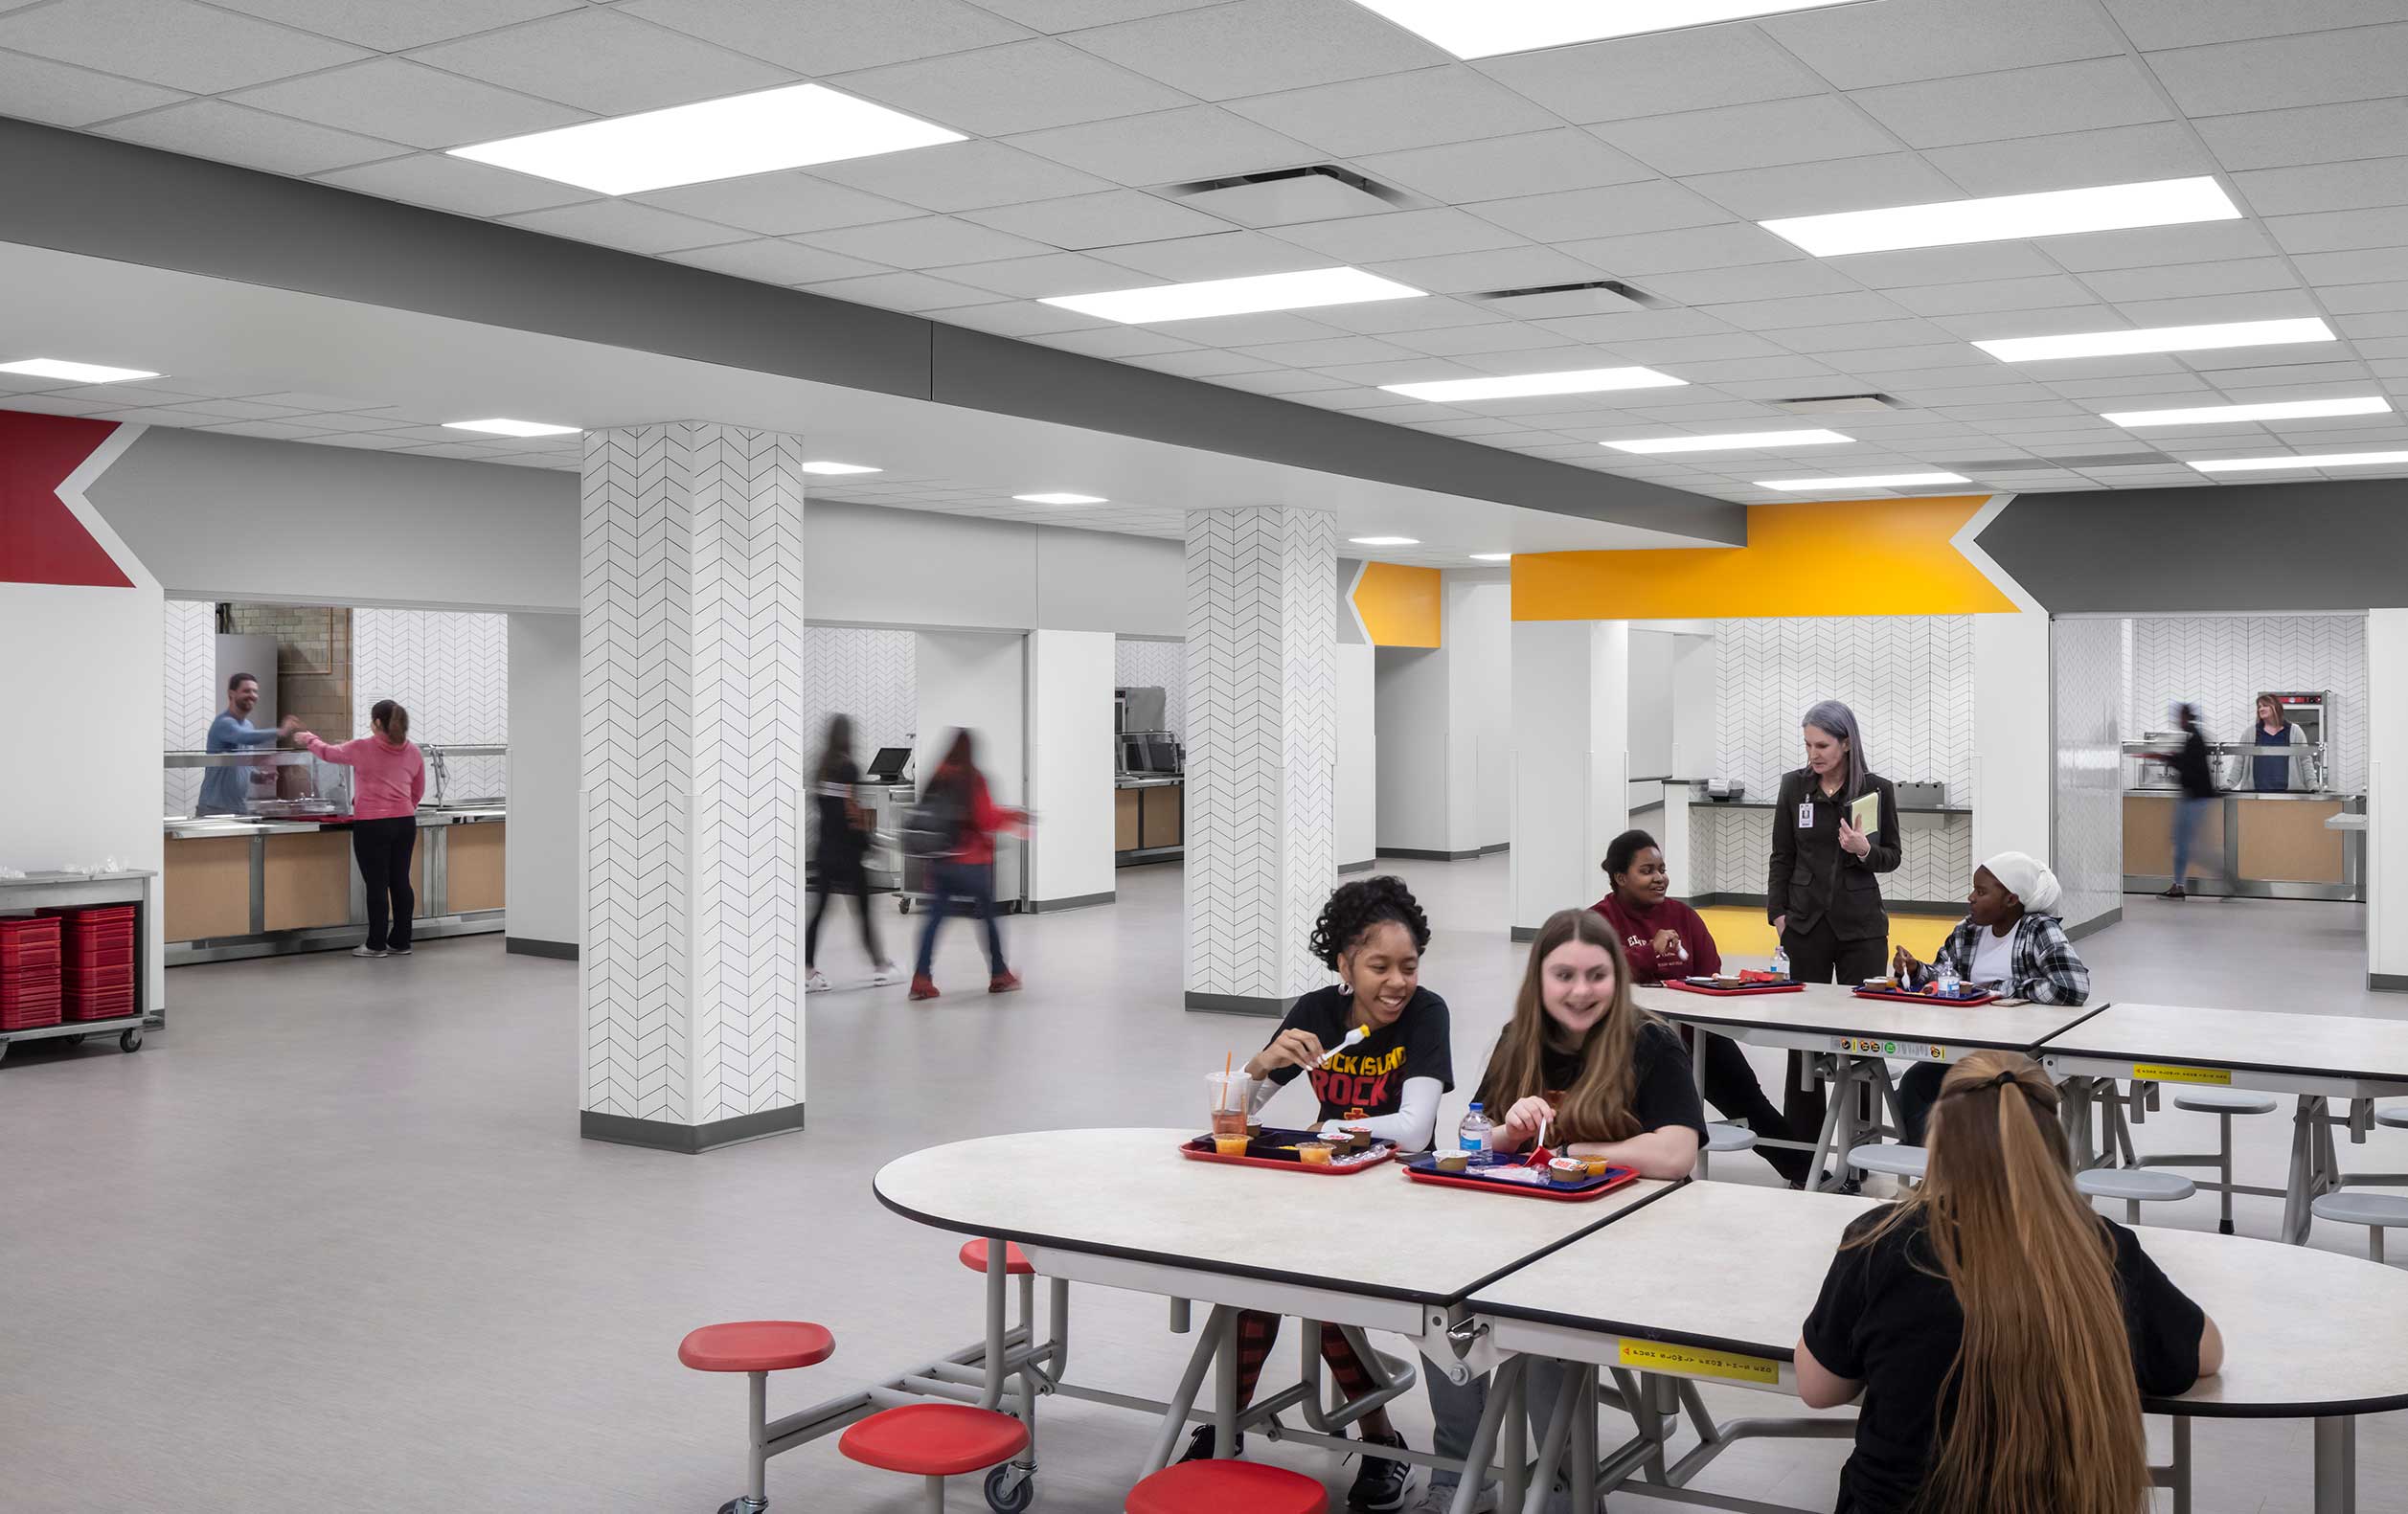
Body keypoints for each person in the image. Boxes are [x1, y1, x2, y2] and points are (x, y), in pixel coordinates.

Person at [1797, 1051, 2222, 1514]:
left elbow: (1820, 1389)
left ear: (1936, 1143)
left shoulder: (1883, 1243)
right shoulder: (2103, 1250)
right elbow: (2206, 1354)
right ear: (2052, 1148)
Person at [1416, 908, 1703, 1514]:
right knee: (1437, 1313)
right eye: (1564, 975)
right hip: (1521, 1231)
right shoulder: (1518, 1038)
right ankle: (1457, 1474)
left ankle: (1565, 1492)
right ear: (1538, 980)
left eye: (1596, 975)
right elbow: (1473, 1136)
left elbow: (1677, 1152)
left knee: (1543, 1337)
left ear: (1617, 979)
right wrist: (1505, 1134)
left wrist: (1573, 1149)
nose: (1580, 991)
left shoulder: (1649, 1041)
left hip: (1620, 1239)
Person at [1195, 875, 1451, 1512]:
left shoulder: (1427, 1013)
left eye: (1409, 965)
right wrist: (1259, 1065)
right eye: (1380, 966)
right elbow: (1232, 1118)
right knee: (1257, 1277)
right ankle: (1228, 1426)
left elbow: (1415, 1128)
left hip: (1401, 1191)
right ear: (1343, 963)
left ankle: (1379, 1440)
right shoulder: (1314, 1013)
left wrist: (1336, 1124)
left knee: (1319, 1290)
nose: (1398, 981)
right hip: (1325, 1188)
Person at [1592, 827, 1808, 1185]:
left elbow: (1710, 969)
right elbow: (1602, 976)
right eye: (1647, 871)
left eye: (1661, 869)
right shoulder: (1600, 921)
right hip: (1633, 1045)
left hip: (1698, 1035)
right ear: (1620, 878)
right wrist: (1650, 952)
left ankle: (1807, 1173)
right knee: (1641, 1117)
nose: (1659, 878)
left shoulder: (1682, 915)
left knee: (1751, 1103)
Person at [1767, 700, 1900, 1174]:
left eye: (1822, 745)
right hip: (1804, 926)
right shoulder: (1794, 787)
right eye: (1807, 744)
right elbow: (1782, 855)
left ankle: (1861, 1155)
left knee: (1863, 1040)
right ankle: (1803, 1155)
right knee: (1801, 1039)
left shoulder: (1877, 791)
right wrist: (1778, 915)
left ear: (1846, 742)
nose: (1813, 754)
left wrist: (1864, 849)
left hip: (1861, 928)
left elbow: (1891, 857)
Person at [1888, 852, 2090, 1144]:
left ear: (2011, 900)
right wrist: (1917, 970)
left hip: (2019, 1056)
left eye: (1981, 892)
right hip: (1964, 1049)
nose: (1971, 897)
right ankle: (1935, 1167)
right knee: (1914, 1083)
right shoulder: (1967, 931)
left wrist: (1996, 990)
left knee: (1973, 1102)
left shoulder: (2038, 930)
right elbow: (1946, 978)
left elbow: (2072, 987)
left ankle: (1948, 1167)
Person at [293, 701, 425, 959]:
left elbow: (328, 753)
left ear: (377, 723)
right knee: (400, 881)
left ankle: (376, 944)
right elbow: (417, 789)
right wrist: (404, 807)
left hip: (372, 824)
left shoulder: (362, 747)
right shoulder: (413, 751)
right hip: (405, 823)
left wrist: (309, 738)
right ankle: (400, 941)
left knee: (377, 884)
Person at [908, 730, 1028, 1001]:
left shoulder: (937, 776)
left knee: (934, 920)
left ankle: (921, 979)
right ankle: (999, 975)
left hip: (940, 862)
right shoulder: (973, 778)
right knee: (987, 917)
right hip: (971, 863)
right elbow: (985, 820)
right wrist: (1013, 816)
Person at [806, 714, 898, 993]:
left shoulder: (820, 768)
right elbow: (851, 812)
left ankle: (808, 971)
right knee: (864, 913)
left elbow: (829, 809)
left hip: (824, 850)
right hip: (847, 854)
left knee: (818, 912)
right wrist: (870, 843)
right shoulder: (849, 768)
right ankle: (881, 966)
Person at [196, 671, 298, 816]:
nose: (252, 695)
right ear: (232, 694)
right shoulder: (224, 723)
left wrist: (259, 776)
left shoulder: (248, 725)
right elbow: (245, 737)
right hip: (215, 808)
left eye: (255, 691)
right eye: (246, 691)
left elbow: (243, 764)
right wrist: (280, 731)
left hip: (239, 808)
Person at [2154, 702, 2219, 899]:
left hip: (2194, 798)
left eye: (2179, 717)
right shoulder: (2193, 737)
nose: (2177, 721)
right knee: (2182, 843)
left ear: (2186, 718)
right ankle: (2178, 885)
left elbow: (2189, 769)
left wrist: (2165, 758)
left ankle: (2226, 876)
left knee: (2187, 846)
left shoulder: (2194, 739)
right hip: (2190, 797)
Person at [2251, 693, 2307, 793]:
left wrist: (2313, 785)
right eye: (2259, 707)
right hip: (2257, 792)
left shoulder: (2295, 731)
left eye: (2265, 705)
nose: (2261, 709)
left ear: (2276, 707)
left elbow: (2305, 760)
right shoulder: (2251, 731)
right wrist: (2230, 784)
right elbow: (2240, 760)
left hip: (2289, 792)